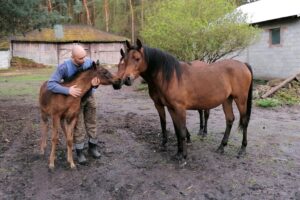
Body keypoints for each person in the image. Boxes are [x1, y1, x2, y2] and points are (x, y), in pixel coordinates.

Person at [47, 44, 101, 164]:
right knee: (78, 125)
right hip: (75, 100)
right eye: (80, 58)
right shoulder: (64, 67)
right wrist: (68, 90)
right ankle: (80, 151)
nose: (84, 60)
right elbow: (50, 84)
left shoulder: (89, 63)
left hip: (90, 96)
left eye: (85, 57)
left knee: (92, 121)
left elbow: (96, 79)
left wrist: (96, 84)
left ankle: (93, 146)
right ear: (73, 57)